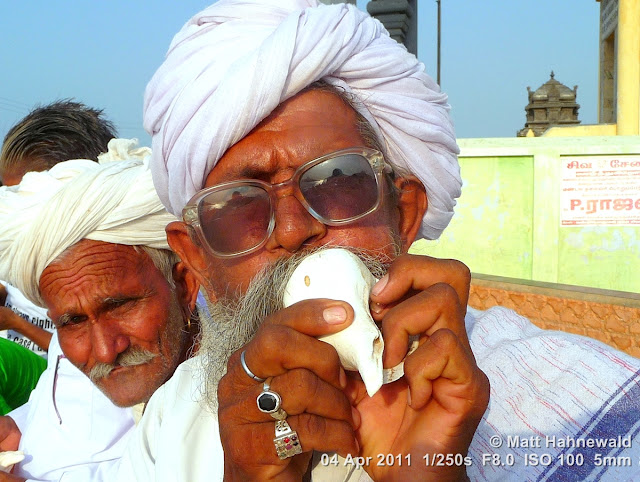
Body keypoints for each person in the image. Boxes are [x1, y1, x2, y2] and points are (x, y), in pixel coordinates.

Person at [121, 1, 640, 480]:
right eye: (239, 208)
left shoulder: (573, 402)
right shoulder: (177, 418)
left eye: (338, 182)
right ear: (197, 259)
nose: (296, 229)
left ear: (405, 215)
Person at [0, 139, 199, 481]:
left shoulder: (227, 405)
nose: (106, 351)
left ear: (184, 285)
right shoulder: (73, 346)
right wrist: (17, 423)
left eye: (120, 306)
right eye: (73, 321)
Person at [0, 99, 116, 357]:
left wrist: (16, 323)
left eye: (22, 195)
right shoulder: (19, 251)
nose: (8, 207)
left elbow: (89, 354)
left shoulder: (106, 270)